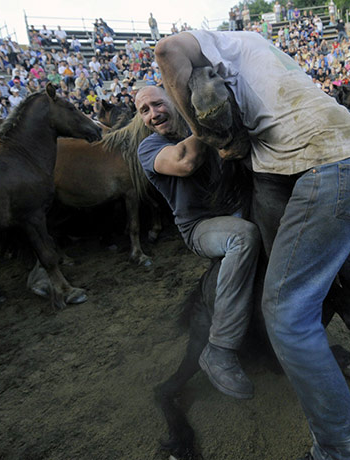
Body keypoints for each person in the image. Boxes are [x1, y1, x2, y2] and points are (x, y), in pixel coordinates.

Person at [155, 30, 350, 460]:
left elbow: (167, 50)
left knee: (286, 314)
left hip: (330, 166)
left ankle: (338, 450)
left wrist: (207, 135)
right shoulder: (260, 52)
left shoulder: (211, 45)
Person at [135, 85, 260, 400]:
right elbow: (184, 162)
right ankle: (220, 347)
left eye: (157, 104)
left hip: (236, 209)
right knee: (242, 237)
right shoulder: (150, 147)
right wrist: (207, 123)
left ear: (174, 103)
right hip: (201, 227)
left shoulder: (198, 133)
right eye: (144, 110)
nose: (153, 114)